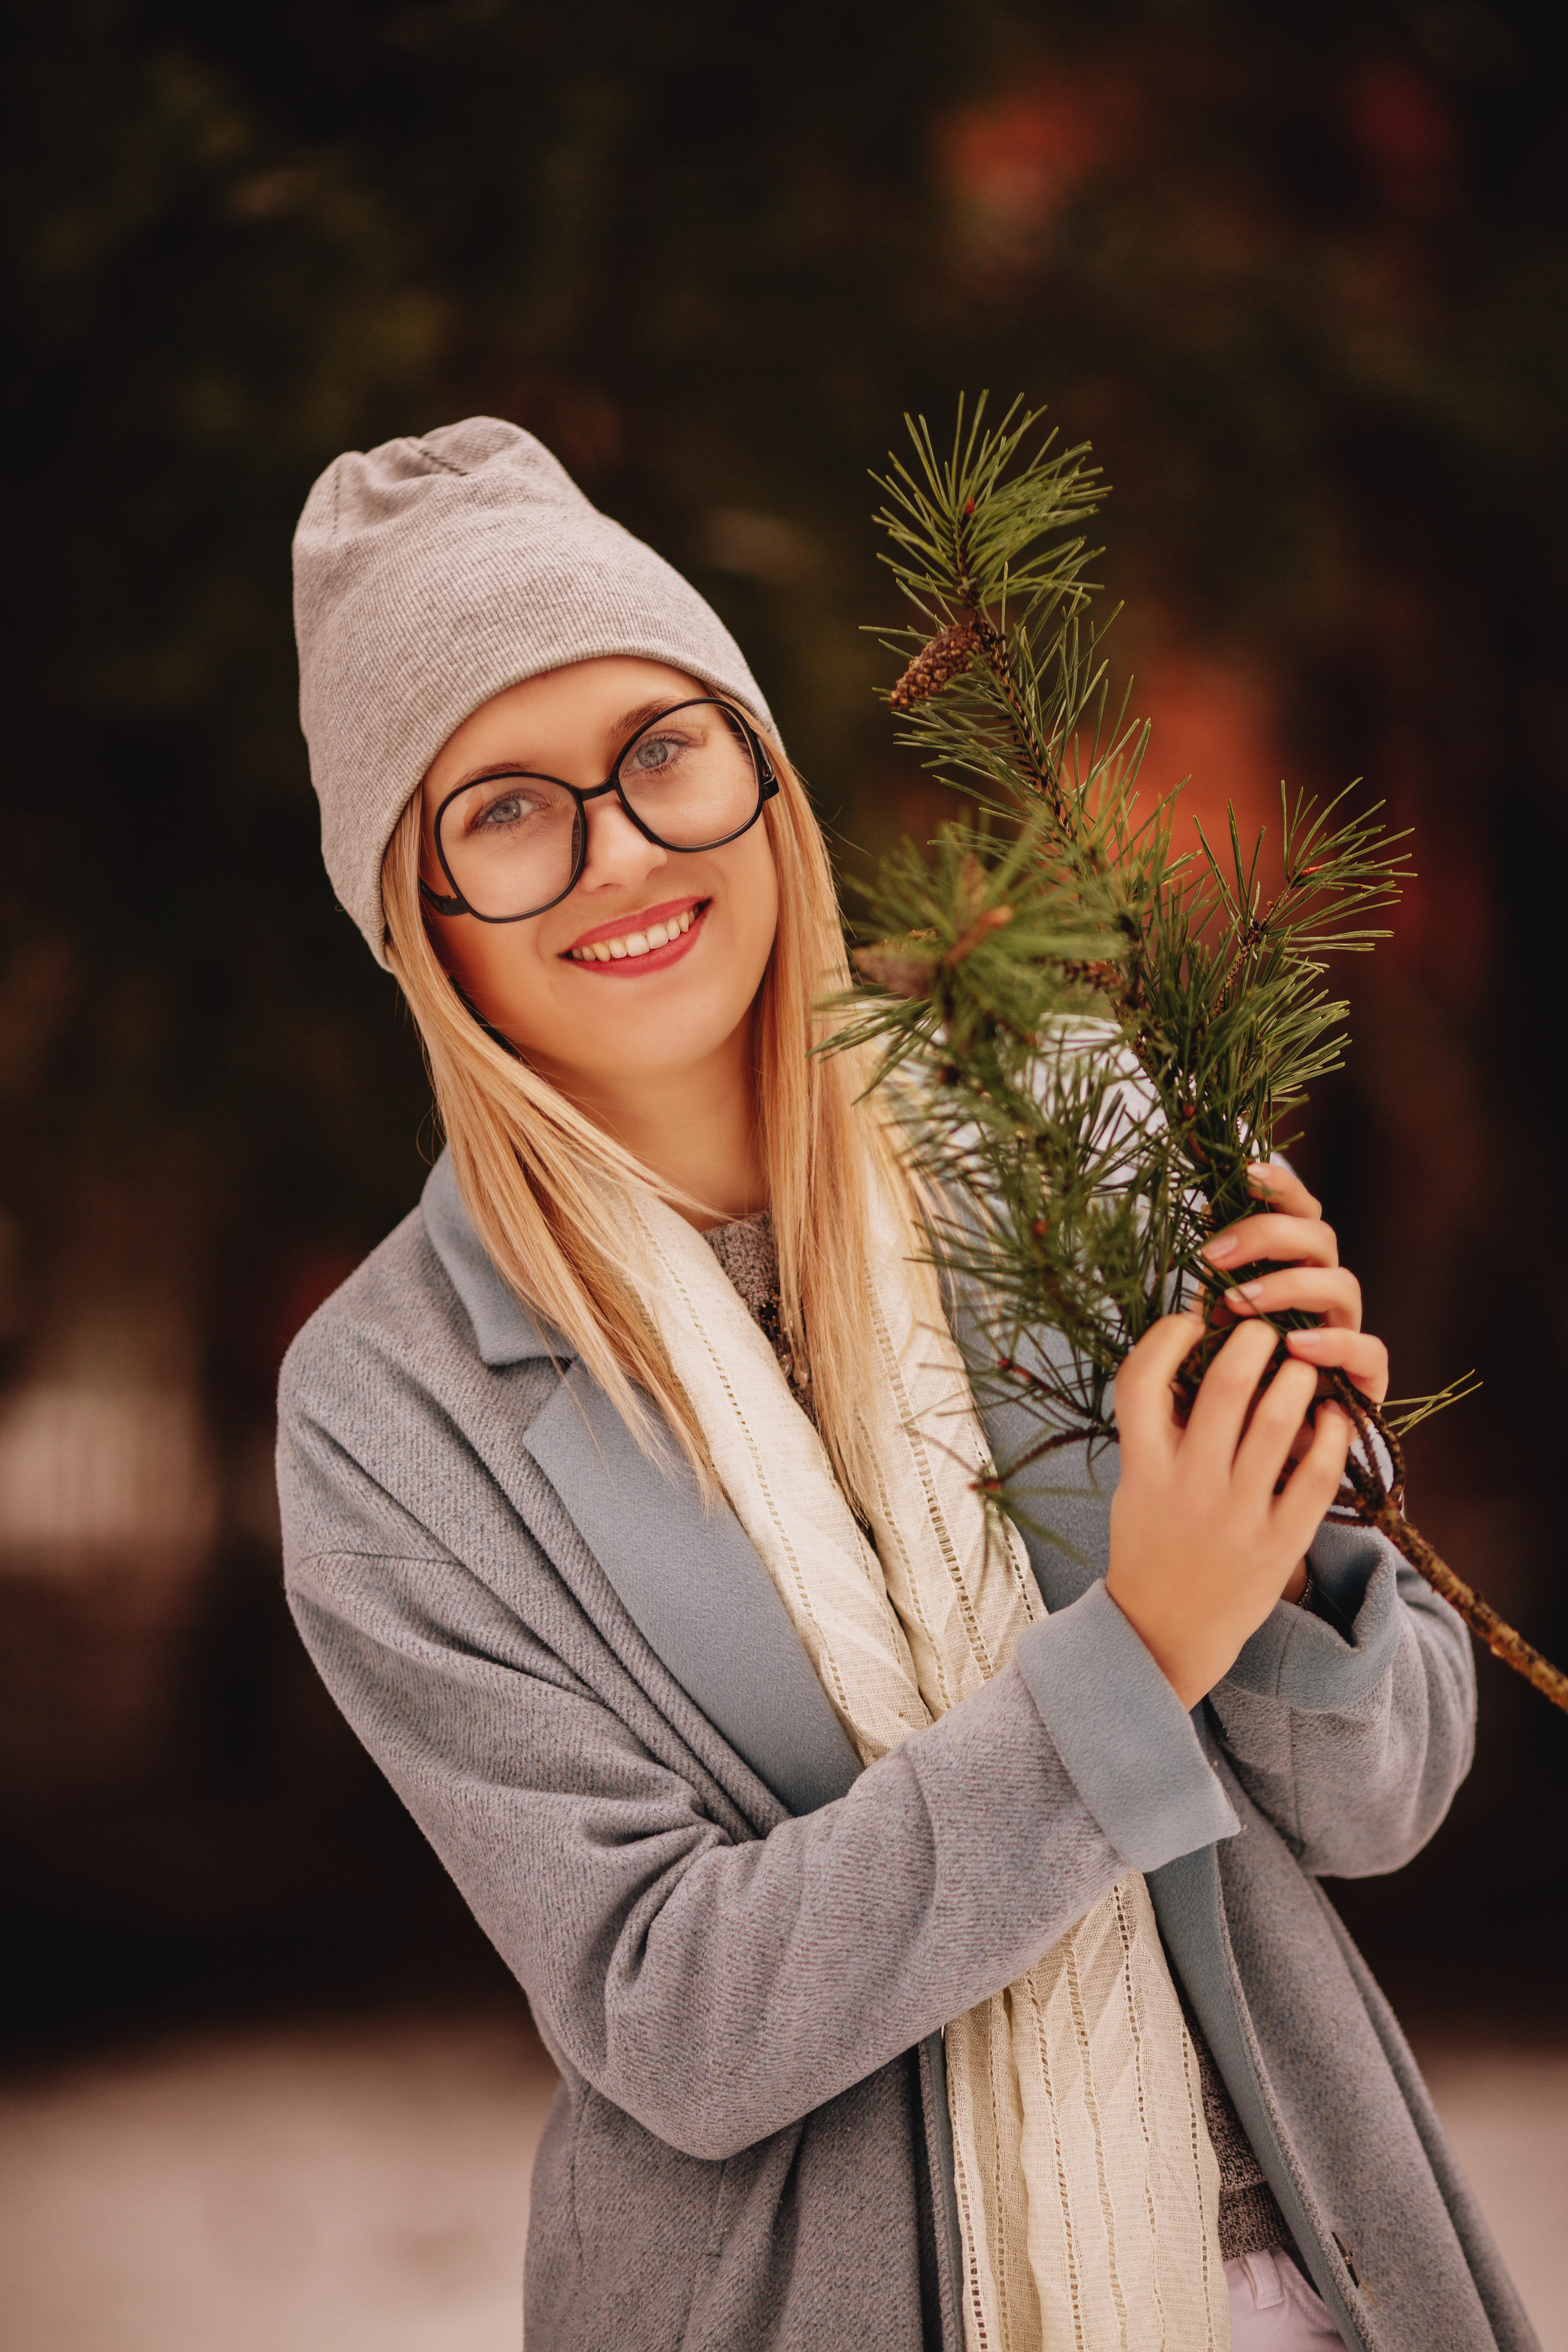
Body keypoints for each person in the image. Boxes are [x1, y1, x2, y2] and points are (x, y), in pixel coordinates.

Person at [277, 417, 1536, 2352]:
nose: (620, 847)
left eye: (663, 748)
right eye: (506, 808)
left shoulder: (1061, 1114)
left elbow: (1375, 1805)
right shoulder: (389, 1411)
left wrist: (1290, 1524)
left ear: (760, 772)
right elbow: (673, 2017)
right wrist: (1135, 1656)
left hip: (1299, 2276)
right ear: (414, 914)